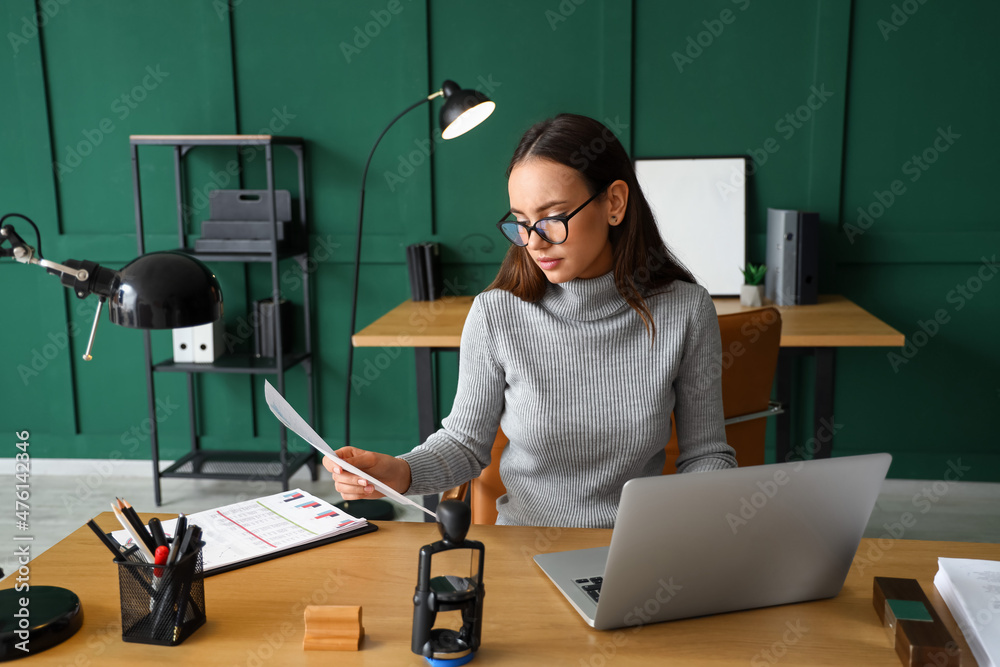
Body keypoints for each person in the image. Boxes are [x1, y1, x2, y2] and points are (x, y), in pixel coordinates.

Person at [324, 113, 737, 528]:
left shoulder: (685, 311)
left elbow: (706, 454)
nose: (534, 243)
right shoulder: (496, 314)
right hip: (524, 548)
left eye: (552, 218)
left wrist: (691, 534)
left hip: (633, 547)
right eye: (521, 223)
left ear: (614, 203)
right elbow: (465, 444)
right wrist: (400, 471)